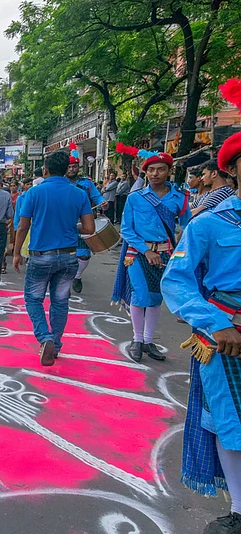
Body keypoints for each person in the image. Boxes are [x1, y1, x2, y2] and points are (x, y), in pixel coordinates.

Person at [161, 131, 241, 534]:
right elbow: (177, 281)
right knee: (229, 420)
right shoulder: (210, 222)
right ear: (233, 169)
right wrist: (216, 322)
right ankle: (239, 509)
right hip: (228, 334)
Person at [13, 150, 95, 366]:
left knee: (33, 299)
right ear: (67, 169)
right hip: (69, 256)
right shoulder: (79, 194)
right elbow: (89, 228)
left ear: (45, 170)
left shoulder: (34, 193)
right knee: (60, 302)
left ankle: (45, 337)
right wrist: (69, 226)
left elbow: (23, 226)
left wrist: (16, 252)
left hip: (41, 257)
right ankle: (55, 345)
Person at [111, 151, 191, 362]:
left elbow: (188, 227)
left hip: (165, 254)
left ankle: (148, 341)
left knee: (155, 298)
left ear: (169, 171)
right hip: (138, 253)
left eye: (161, 169)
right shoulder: (135, 198)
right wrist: (146, 251)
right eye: (151, 170)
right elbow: (126, 229)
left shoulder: (180, 198)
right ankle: (137, 339)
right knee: (140, 296)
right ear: (145, 173)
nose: (155, 174)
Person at [67, 151, 106, 294]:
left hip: (84, 223)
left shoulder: (86, 183)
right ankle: (65, 281)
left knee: (84, 254)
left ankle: (77, 277)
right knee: (65, 254)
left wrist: (103, 202)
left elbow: (97, 196)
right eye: (69, 167)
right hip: (64, 223)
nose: (71, 169)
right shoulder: (60, 182)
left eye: (74, 166)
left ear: (78, 167)